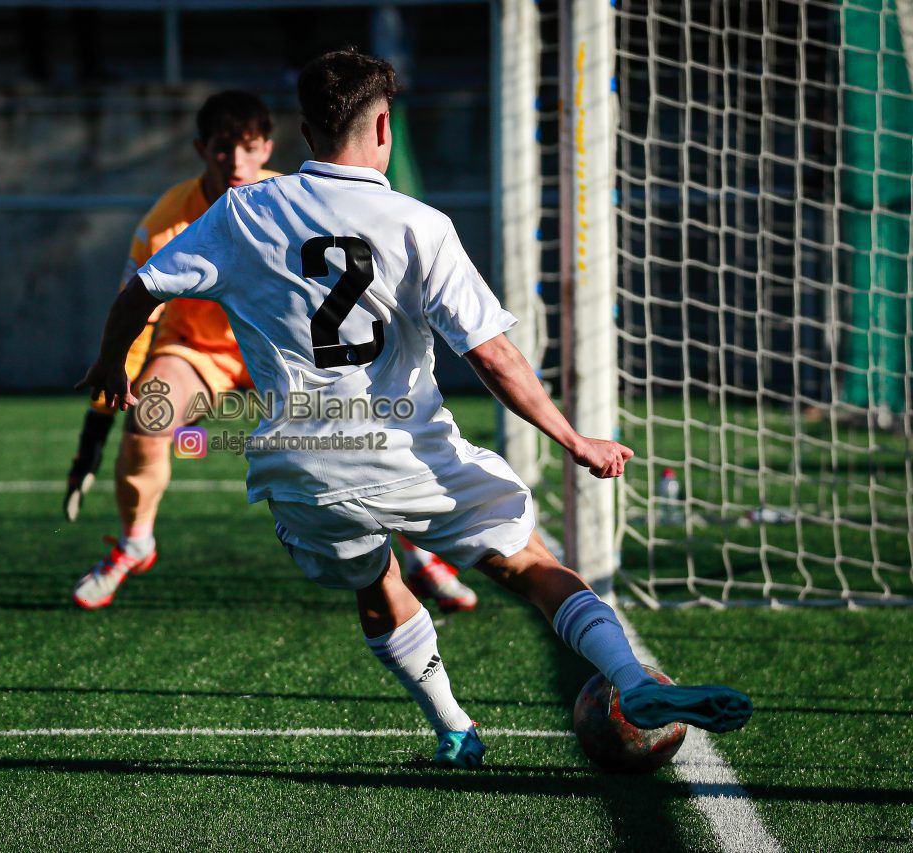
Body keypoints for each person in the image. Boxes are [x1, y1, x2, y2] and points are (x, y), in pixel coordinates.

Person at [78, 49, 754, 766]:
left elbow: (141, 289)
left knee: (375, 584)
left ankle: (455, 730)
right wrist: (572, 438)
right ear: (383, 129)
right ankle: (630, 681)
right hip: (409, 452)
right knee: (529, 565)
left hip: (304, 468)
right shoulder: (419, 222)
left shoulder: (242, 211)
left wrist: (110, 365)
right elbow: (492, 355)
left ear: (304, 134)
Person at [69, 89, 479, 613]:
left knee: (367, 431)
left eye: (248, 147)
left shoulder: (290, 202)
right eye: (223, 148)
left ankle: (418, 554)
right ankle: (135, 543)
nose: (235, 162)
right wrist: (95, 429)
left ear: (266, 148)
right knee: (150, 413)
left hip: (289, 350)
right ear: (202, 150)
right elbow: (138, 312)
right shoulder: (167, 219)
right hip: (203, 352)